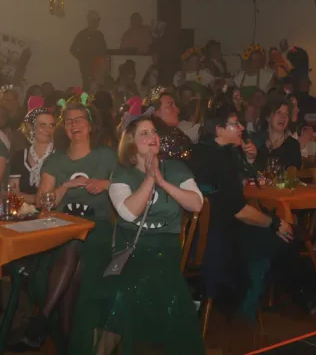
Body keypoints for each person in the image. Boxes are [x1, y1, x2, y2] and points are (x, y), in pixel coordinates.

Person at [69, 116, 205, 354]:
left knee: (152, 292)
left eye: (154, 132)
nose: (152, 137)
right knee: (114, 297)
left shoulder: (175, 168)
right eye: (144, 133)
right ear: (131, 142)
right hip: (130, 250)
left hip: (165, 251)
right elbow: (129, 213)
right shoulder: (122, 174)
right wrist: (150, 178)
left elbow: (196, 204)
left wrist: (162, 181)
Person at [188, 105, 316, 319]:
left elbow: (225, 193)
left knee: (280, 236)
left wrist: (247, 167)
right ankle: (305, 290)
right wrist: (274, 223)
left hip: (198, 237)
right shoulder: (221, 159)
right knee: (284, 235)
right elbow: (239, 211)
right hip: (222, 241)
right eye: (235, 124)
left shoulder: (202, 151)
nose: (241, 128)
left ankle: (305, 291)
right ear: (219, 129)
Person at [10, 99, 117, 352]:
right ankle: (65, 342)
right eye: (69, 121)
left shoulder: (106, 155)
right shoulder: (56, 160)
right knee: (72, 253)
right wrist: (66, 186)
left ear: (90, 125)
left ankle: (44, 322)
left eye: (79, 119)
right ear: (64, 129)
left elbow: (128, 186)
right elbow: (44, 203)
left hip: (97, 231)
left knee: (74, 250)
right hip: (62, 228)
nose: (74, 124)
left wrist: (105, 184)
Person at [9, 102, 55, 204]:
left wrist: (28, 198)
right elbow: (13, 194)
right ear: (31, 128)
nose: (48, 129)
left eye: (51, 125)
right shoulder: (19, 156)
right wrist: (38, 199)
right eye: (42, 125)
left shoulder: (59, 156)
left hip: (52, 212)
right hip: (22, 211)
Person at [256, 97, 302, 170]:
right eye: (278, 112)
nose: (283, 117)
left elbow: (294, 172)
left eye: (286, 114)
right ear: (268, 117)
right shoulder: (256, 142)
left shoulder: (293, 145)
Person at [70, 10, 107, 91]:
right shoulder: (82, 34)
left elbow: (103, 50)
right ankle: (85, 99)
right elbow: (72, 49)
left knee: (97, 87)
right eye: (91, 20)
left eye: (95, 20)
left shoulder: (99, 35)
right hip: (86, 66)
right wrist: (82, 57)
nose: (93, 22)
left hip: (97, 66)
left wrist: (101, 63)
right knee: (87, 86)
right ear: (88, 20)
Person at [151, 92, 193, 160]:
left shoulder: (175, 133)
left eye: (175, 105)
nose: (178, 110)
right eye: (170, 105)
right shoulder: (170, 138)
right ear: (157, 112)